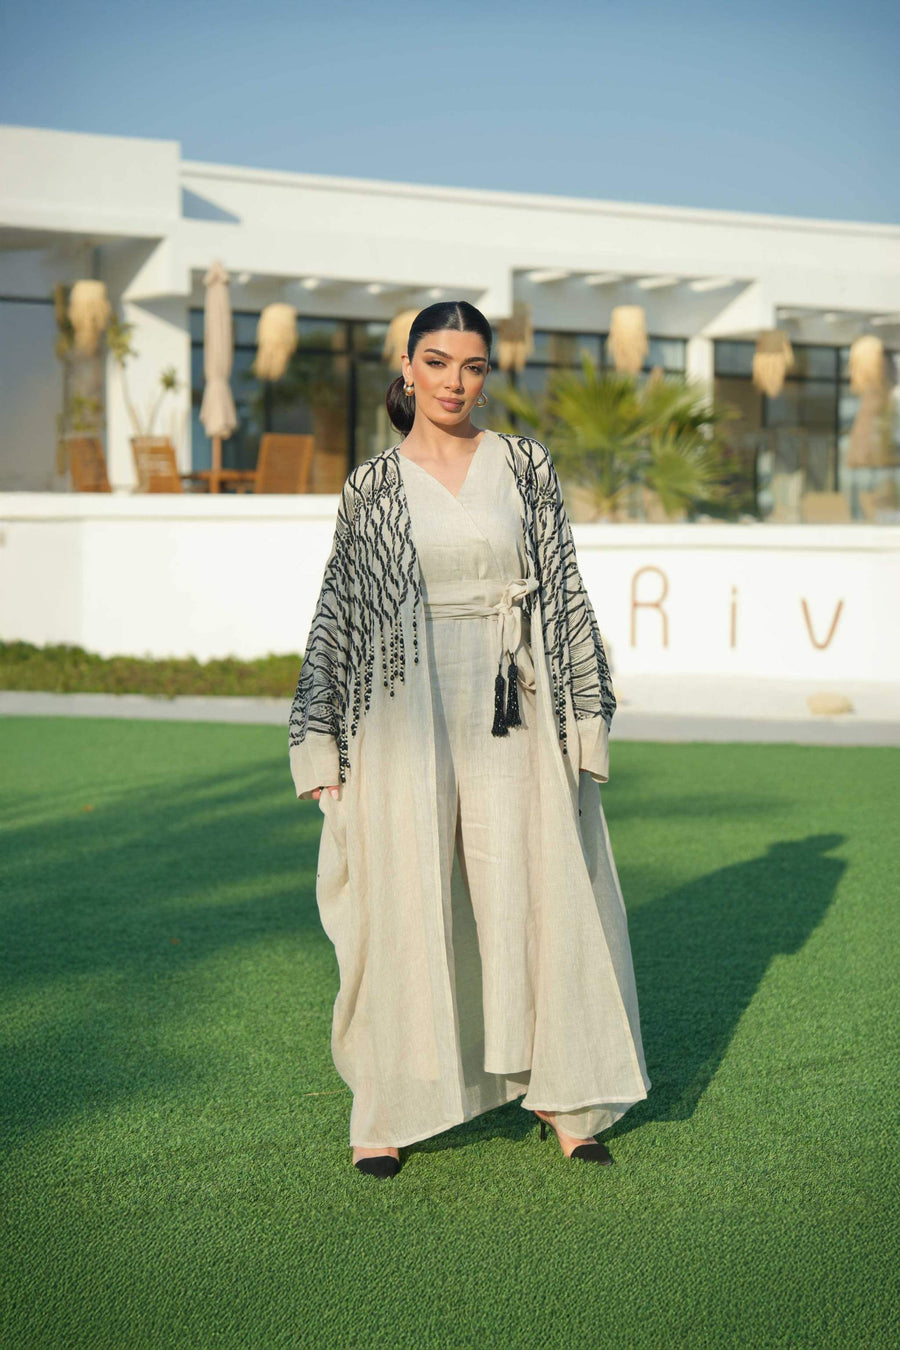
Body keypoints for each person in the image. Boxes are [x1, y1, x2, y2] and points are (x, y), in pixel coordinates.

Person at [289, 300, 650, 1179]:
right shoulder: (372, 486)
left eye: (474, 366)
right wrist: (320, 744)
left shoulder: (525, 464)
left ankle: (566, 1096)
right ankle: (387, 1108)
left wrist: (584, 718)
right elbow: (340, 611)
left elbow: (564, 587)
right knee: (400, 898)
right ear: (407, 369)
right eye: (439, 362)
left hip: (515, 699)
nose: (455, 382)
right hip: (401, 712)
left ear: (488, 376)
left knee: (538, 888)